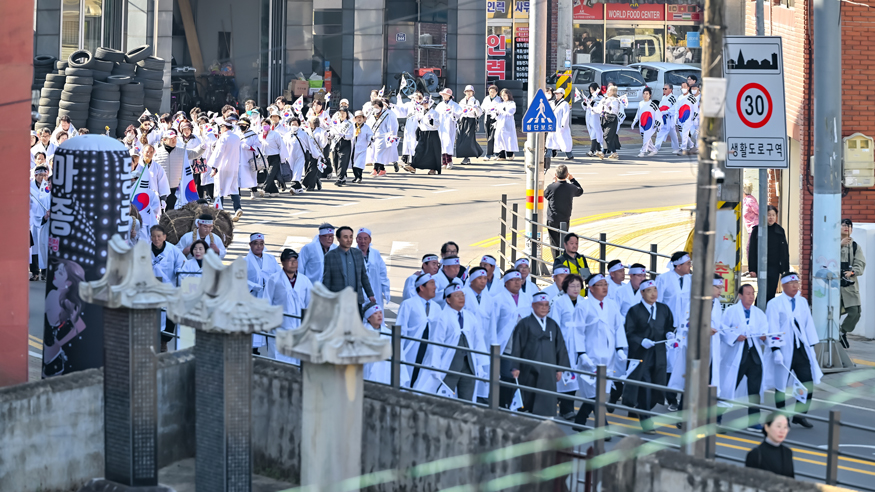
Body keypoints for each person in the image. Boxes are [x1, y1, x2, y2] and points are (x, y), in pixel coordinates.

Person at [766, 272, 822, 428]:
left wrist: (811, 346)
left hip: (800, 348)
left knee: (806, 382)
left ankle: (799, 414)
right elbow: (773, 327)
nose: (795, 286)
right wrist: (775, 349)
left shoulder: (802, 302)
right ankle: (782, 417)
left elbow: (808, 324)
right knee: (781, 385)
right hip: (784, 349)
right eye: (792, 283)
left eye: (797, 283)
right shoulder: (774, 304)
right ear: (783, 286)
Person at [414, 283, 486, 401]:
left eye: (462, 295)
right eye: (457, 295)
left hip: (468, 365)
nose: (461, 298)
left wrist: (480, 365)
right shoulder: (442, 317)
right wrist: (435, 366)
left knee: (467, 397)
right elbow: (436, 344)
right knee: (445, 398)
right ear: (448, 299)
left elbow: (478, 342)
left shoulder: (470, 317)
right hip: (448, 365)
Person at [574, 274, 628, 427]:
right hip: (590, 355)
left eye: (606, 284)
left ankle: (580, 421)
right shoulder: (583, 306)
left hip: (609, 355)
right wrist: (581, 353)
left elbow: (618, 328)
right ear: (590, 288)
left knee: (601, 392)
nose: (605, 287)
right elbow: (577, 331)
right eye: (600, 284)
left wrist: (619, 348)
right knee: (593, 392)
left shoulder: (612, 305)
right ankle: (602, 426)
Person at [622, 279, 674, 433]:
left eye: (655, 290)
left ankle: (641, 408)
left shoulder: (664, 309)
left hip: (659, 354)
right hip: (641, 354)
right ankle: (646, 421)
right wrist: (640, 341)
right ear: (642, 292)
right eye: (649, 291)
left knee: (658, 387)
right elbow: (628, 332)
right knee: (645, 387)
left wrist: (670, 334)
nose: (653, 294)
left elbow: (669, 326)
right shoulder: (634, 311)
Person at [509, 292, 570, 415]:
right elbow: (517, 346)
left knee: (548, 398)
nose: (543, 308)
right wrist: (515, 366)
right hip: (529, 369)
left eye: (546, 305)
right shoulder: (524, 324)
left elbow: (560, 347)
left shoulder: (553, 324)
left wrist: (560, 368)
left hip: (549, 368)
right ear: (533, 305)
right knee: (529, 398)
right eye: (540, 305)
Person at [719, 284, 770, 430]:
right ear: (740, 296)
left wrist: (763, 336)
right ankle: (716, 418)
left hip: (753, 355)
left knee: (755, 390)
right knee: (729, 386)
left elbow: (765, 329)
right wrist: (735, 337)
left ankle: (753, 421)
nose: (751, 296)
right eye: (748, 293)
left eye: (753, 293)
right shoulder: (731, 311)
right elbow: (723, 330)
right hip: (737, 355)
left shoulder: (759, 313)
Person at [493, 270, 534, 406]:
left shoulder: (527, 298)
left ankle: (519, 405)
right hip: (506, 346)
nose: (518, 282)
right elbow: (493, 324)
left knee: (522, 377)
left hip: (523, 346)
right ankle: (503, 404)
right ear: (506, 282)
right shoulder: (498, 299)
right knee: (507, 377)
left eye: (519, 280)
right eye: (513, 280)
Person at [657, 251, 692, 411]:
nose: (689, 266)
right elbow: (657, 303)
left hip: (685, 328)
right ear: (678, 266)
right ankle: (671, 398)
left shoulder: (691, 280)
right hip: (668, 328)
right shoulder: (663, 279)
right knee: (670, 364)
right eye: (687, 264)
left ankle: (682, 397)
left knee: (683, 364)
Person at [548, 274, 585, 419]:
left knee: (575, 377)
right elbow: (555, 323)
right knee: (565, 376)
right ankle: (566, 408)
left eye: (578, 286)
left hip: (579, 343)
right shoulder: (559, 302)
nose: (576, 289)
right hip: (565, 342)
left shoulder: (583, 302)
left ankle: (566, 406)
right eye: (572, 286)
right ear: (565, 287)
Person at [398, 273, 441, 386]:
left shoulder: (437, 308)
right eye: (431, 284)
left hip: (429, 352)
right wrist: (399, 354)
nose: (435, 287)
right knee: (408, 379)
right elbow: (400, 330)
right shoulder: (408, 304)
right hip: (411, 350)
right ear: (422, 287)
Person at [266, 248, 306, 363]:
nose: (293, 263)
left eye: (295, 260)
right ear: (283, 262)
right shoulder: (274, 280)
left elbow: (310, 303)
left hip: (298, 328)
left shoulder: (304, 281)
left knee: (297, 361)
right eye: (290, 260)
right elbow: (266, 300)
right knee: (279, 361)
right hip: (280, 328)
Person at [321, 226, 376, 305]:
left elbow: (363, 276)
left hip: (356, 301)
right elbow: (327, 279)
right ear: (338, 238)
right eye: (345, 237)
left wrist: (370, 294)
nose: (349, 240)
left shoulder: (357, 253)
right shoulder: (330, 256)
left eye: (351, 237)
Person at [748, 205, 790, 302]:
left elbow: (784, 251)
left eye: (773, 215)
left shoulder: (779, 230)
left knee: (771, 292)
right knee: (762, 292)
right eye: (768, 215)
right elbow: (752, 250)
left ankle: (768, 313)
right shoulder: (757, 230)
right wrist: (752, 268)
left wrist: (785, 269)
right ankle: (758, 312)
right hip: (761, 266)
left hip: (774, 267)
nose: (771, 217)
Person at [206, 117, 243, 220]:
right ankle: (237, 208)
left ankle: (219, 212)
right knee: (234, 189)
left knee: (219, 189)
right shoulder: (236, 137)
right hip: (234, 166)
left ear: (224, 127)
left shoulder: (223, 138)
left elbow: (218, 153)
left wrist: (214, 167)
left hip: (223, 167)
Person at [544, 165, 584, 257]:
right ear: (567, 176)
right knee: (563, 241)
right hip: (565, 218)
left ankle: (557, 263)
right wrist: (572, 179)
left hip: (552, 218)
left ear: (555, 175)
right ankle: (563, 260)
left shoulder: (551, 187)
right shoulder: (571, 187)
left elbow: (546, 195)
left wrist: (553, 182)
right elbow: (580, 191)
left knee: (554, 242)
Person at [840, 218, 866, 347]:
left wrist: (852, 272)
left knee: (855, 312)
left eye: (849, 226)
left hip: (849, 285)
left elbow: (860, 264)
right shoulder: (831, 242)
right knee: (829, 313)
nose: (846, 227)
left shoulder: (856, 246)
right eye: (844, 225)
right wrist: (839, 244)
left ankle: (842, 332)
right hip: (833, 286)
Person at [745, 413, 794, 478]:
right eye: (778, 426)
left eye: (785, 427)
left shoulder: (788, 452)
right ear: (766, 427)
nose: (782, 431)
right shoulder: (755, 454)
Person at [354, 229, 390, 311]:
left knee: (376, 316)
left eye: (365, 238)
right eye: (360, 238)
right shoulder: (352, 254)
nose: (363, 241)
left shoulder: (375, 253)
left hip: (375, 291)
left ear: (370, 240)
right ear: (356, 240)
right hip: (359, 293)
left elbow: (382, 273)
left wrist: (386, 290)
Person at [408, 97, 442, 175]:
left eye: (426, 103)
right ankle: (413, 166)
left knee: (431, 152)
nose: (424, 105)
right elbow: (420, 124)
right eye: (423, 103)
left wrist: (431, 121)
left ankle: (433, 168)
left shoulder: (434, 113)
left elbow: (436, 125)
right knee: (419, 149)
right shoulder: (421, 112)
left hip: (432, 133)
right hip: (423, 133)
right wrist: (419, 121)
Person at [366, 100, 399, 176]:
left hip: (382, 137)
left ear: (381, 107)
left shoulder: (387, 115)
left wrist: (390, 136)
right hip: (374, 137)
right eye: (374, 107)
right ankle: (382, 169)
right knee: (375, 154)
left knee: (378, 154)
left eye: (377, 107)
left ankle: (375, 169)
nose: (375, 109)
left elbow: (389, 127)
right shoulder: (371, 115)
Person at [29, 165, 51, 280]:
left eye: (44, 175)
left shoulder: (48, 187)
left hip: (44, 221)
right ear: (35, 175)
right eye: (40, 175)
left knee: (43, 246)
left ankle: (44, 270)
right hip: (33, 219)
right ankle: (35, 272)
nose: (42, 178)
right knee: (34, 247)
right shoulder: (29, 186)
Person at [259, 114, 288, 196]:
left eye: (266, 124)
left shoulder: (275, 134)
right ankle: (274, 191)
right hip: (265, 157)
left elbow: (281, 146)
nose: (264, 126)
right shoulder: (261, 135)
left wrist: (283, 158)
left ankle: (264, 189)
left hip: (275, 156)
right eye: (263, 125)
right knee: (267, 174)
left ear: (270, 125)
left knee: (271, 173)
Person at [456, 85, 483, 165]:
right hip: (463, 120)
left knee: (468, 139)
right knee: (462, 138)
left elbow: (479, 113)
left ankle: (467, 157)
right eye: (467, 91)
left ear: (473, 92)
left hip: (471, 121)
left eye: (470, 91)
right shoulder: (462, 101)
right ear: (465, 92)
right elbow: (459, 111)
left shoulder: (475, 101)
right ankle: (477, 151)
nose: (468, 93)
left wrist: (476, 109)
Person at [630, 87, 662, 157]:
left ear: (650, 95)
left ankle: (642, 152)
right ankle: (654, 150)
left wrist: (658, 124)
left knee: (646, 137)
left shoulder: (652, 104)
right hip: (642, 123)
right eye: (644, 94)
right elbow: (638, 114)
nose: (645, 95)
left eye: (647, 94)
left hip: (650, 123)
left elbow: (658, 114)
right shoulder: (640, 103)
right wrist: (634, 122)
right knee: (646, 138)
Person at [435, 88, 461, 169]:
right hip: (441, 127)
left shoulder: (455, 105)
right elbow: (436, 114)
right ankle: (444, 162)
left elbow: (459, 114)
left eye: (445, 94)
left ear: (449, 96)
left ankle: (449, 161)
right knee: (442, 143)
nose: (443, 96)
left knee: (449, 143)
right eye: (442, 95)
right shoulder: (440, 105)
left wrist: (453, 114)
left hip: (450, 126)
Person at [328, 109, 354, 186]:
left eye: (344, 113)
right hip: (336, 143)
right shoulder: (335, 122)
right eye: (340, 113)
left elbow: (351, 135)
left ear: (346, 114)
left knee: (343, 160)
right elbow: (332, 132)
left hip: (345, 143)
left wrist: (344, 136)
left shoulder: (349, 124)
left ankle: (340, 178)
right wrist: (329, 135)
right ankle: (342, 177)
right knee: (335, 160)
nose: (342, 115)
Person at [546, 88, 573, 160]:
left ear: (562, 94)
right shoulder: (552, 103)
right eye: (556, 93)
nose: (556, 95)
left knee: (563, 141)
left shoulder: (565, 104)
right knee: (550, 140)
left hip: (560, 126)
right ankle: (547, 155)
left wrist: (563, 125)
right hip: (553, 124)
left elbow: (566, 115)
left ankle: (569, 155)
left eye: (558, 93)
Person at [673, 82, 699, 155]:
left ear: (688, 88)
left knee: (685, 132)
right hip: (681, 118)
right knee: (683, 134)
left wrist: (694, 118)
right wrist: (676, 118)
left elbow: (695, 109)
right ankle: (691, 145)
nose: (683, 88)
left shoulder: (691, 97)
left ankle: (683, 148)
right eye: (682, 87)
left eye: (685, 87)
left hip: (688, 118)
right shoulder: (679, 97)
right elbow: (676, 108)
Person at [493, 89, 519, 160]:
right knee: (499, 138)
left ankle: (510, 154)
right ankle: (501, 155)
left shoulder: (512, 103)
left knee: (508, 138)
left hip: (508, 123)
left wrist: (502, 111)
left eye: (505, 95)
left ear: (508, 95)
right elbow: (496, 113)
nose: (503, 97)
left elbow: (510, 112)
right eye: (502, 95)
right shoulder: (500, 104)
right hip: (500, 123)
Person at [654, 84, 679, 154]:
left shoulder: (673, 98)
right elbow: (660, 107)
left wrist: (665, 112)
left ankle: (676, 148)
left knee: (673, 134)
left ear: (671, 90)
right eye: (663, 88)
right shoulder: (663, 98)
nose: (664, 90)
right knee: (660, 133)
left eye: (666, 89)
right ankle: (656, 148)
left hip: (669, 119)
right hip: (663, 118)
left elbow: (674, 109)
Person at [597, 86, 621, 160]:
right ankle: (614, 153)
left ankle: (603, 152)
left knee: (606, 135)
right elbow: (599, 107)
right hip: (604, 119)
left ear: (613, 92)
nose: (607, 91)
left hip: (612, 119)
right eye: (607, 90)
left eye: (609, 90)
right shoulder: (604, 98)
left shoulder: (615, 100)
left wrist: (609, 107)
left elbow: (614, 110)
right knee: (610, 137)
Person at [349, 111, 373, 183]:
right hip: (353, 148)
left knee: (359, 163)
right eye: (357, 117)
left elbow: (370, 135)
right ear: (355, 118)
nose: (359, 119)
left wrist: (371, 138)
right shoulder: (352, 126)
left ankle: (360, 177)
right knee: (354, 163)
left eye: (361, 117)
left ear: (363, 119)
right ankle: (356, 176)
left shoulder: (366, 127)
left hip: (362, 148)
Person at [582, 83, 605, 157]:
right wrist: (585, 103)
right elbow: (585, 107)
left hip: (596, 117)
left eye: (593, 90)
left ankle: (592, 150)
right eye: (590, 90)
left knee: (595, 133)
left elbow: (601, 106)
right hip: (589, 116)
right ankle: (598, 150)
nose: (591, 91)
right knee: (592, 132)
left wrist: (594, 104)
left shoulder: (600, 97)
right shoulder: (589, 96)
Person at [480, 85, 501, 160]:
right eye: (490, 92)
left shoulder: (499, 99)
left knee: (492, 137)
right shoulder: (486, 99)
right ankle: (496, 153)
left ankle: (489, 154)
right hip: (487, 118)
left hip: (495, 118)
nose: (492, 93)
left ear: (496, 92)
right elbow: (482, 108)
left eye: (493, 92)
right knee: (488, 135)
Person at [742, 181, 759, 264]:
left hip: (754, 227)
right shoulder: (745, 200)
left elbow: (760, 211)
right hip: (750, 228)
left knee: (750, 248)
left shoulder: (750, 200)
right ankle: (751, 270)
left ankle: (752, 270)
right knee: (750, 249)